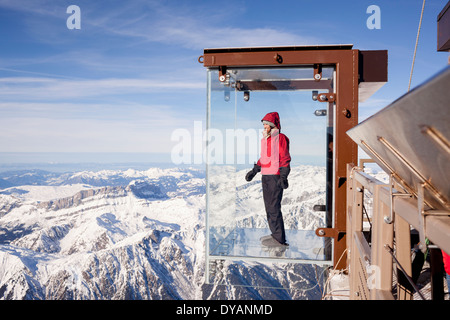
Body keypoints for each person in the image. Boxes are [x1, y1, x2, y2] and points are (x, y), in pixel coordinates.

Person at [245, 112, 291, 247]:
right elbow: (264, 158)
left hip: (275, 177)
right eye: (264, 124)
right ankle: (275, 235)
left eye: (266, 124)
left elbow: (284, 157)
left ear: (272, 125)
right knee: (269, 207)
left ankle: (279, 239)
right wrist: (254, 170)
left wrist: (283, 175)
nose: (264, 126)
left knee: (274, 207)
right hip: (266, 176)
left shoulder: (280, 138)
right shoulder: (266, 139)